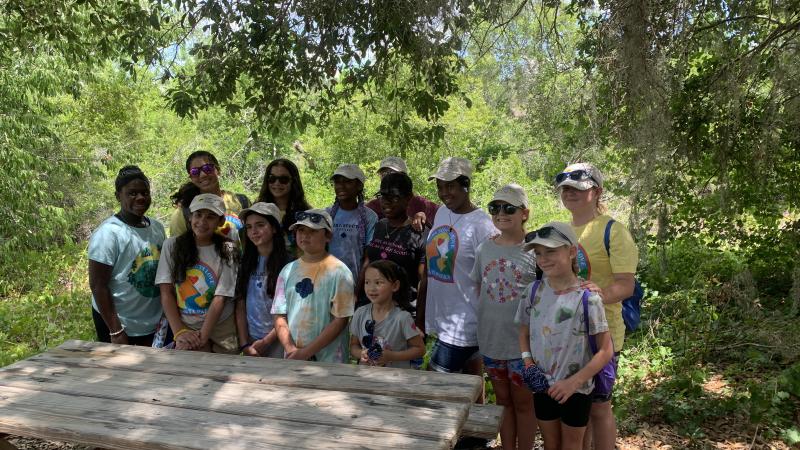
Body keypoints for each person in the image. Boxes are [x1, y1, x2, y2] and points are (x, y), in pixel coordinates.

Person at [555, 163, 638, 450]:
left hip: (602, 335)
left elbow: (626, 285)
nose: (570, 193)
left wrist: (595, 295)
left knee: (599, 407)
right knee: (579, 408)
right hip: (567, 335)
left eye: (578, 187)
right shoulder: (561, 230)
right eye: (565, 188)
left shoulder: (614, 231)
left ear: (597, 192)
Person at [516, 222, 613, 450]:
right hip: (542, 384)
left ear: (571, 252)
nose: (543, 259)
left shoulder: (589, 298)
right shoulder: (532, 292)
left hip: (576, 388)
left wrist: (574, 382)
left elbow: (605, 349)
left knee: (572, 444)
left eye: (551, 251)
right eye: (538, 253)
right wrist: (528, 362)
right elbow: (523, 330)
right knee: (551, 443)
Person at [471, 184, 537, 450]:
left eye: (509, 208)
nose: (501, 213)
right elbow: (479, 287)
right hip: (491, 340)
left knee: (524, 402)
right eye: (495, 208)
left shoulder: (535, 249)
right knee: (503, 401)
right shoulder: (484, 249)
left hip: (523, 345)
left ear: (524, 213)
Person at [421, 157, 498, 377]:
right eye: (440, 186)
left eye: (450, 186)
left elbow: (490, 278)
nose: (444, 192)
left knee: (433, 385)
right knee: (470, 384)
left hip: (465, 323)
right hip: (444, 317)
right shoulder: (442, 213)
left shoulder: (482, 226)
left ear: (466, 185)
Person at [88, 166, 166, 346]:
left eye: (144, 193)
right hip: (120, 324)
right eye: (132, 193)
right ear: (118, 196)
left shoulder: (157, 228)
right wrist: (115, 330)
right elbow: (98, 285)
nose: (140, 198)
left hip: (153, 325)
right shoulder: (109, 234)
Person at [155, 193, 241, 353]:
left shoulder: (229, 248)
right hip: (185, 322)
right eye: (198, 215)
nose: (202, 222)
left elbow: (220, 297)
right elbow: (165, 292)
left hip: (221, 323)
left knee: (223, 370)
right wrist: (180, 332)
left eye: (210, 217)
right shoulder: (172, 246)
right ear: (190, 217)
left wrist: (202, 338)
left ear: (220, 221)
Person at [271, 209, 355, 363]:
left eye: (313, 231)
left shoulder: (340, 272)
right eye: (301, 230)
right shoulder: (287, 271)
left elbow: (340, 320)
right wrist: (290, 348)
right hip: (293, 357)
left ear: (328, 235)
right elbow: (279, 315)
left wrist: (306, 353)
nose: (304, 235)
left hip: (329, 361)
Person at [359, 172, 429, 310]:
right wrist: (357, 296)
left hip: (403, 313)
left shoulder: (419, 233)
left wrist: (420, 321)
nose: (386, 201)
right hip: (372, 309)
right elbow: (368, 262)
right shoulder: (379, 225)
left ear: (408, 198)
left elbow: (423, 281)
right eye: (383, 196)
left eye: (394, 197)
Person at [234, 202, 291, 357]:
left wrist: (266, 341)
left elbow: (291, 310)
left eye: (260, 225)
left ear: (274, 228)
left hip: (281, 340)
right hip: (251, 340)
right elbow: (240, 303)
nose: (254, 231)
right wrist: (244, 343)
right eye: (249, 227)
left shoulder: (289, 264)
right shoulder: (245, 262)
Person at [349, 260, 425, 369]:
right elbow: (353, 345)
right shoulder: (360, 313)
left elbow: (420, 349)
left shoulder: (402, 318)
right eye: (367, 282)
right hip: (366, 378)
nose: (371, 288)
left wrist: (391, 356)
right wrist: (360, 353)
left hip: (396, 380)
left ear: (395, 286)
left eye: (378, 282)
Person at [168, 150, 250, 240]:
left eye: (207, 168)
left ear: (218, 170)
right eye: (195, 172)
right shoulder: (183, 213)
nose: (203, 174)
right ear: (191, 178)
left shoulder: (241, 201)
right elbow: (176, 250)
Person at [327, 164, 378, 280]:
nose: (341, 186)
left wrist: (357, 290)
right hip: (327, 280)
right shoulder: (327, 214)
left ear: (359, 185)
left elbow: (368, 257)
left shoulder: (369, 217)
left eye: (347, 182)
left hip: (354, 280)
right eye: (338, 182)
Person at [255, 158, 312, 255]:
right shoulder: (257, 211)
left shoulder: (306, 214)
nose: (277, 183)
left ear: (293, 181)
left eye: (283, 179)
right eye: (272, 178)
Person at [365, 156, 439, 228]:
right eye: (384, 173)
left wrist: (425, 220)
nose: (388, 176)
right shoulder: (373, 206)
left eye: (393, 173)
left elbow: (445, 217)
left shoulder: (421, 204)